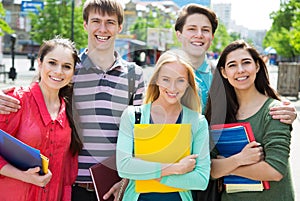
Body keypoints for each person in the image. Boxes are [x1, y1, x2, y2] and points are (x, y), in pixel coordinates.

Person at [0, 1, 145, 201]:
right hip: (70, 185)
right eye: (96, 21)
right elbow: (33, 97)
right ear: (85, 24)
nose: (102, 29)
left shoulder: (134, 75)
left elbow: (141, 133)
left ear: (120, 27)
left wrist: (129, 178)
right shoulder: (69, 69)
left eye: (110, 22)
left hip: (115, 185)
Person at [174, 3, 297, 124]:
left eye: (205, 30)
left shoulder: (226, 74)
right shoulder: (163, 74)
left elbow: (253, 100)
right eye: (192, 29)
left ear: (211, 37)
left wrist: (284, 109)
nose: (199, 35)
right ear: (179, 35)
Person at [206, 40, 294, 201]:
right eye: (232, 65)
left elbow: (275, 170)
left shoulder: (275, 111)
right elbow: (208, 169)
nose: (240, 70)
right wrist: (239, 160)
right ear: (224, 72)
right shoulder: (218, 114)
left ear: (257, 66)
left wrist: (227, 166)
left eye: (246, 62)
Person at [116, 49, 210, 201]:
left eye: (180, 80)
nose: (172, 88)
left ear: (188, 83)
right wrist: (175, 169)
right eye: (166, 79)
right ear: (157, 80)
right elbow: (124, 167)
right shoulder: (133, 116)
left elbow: (201, 180)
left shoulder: (197, 122)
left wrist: (150, 174)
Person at [0, 36, 83, 201]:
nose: (58, 71)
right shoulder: (14, 101)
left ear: (73, 73)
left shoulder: (70, 113)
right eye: (52, 63)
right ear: (40, 63)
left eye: (66, 66)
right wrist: (24, 176)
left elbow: (66, 173)